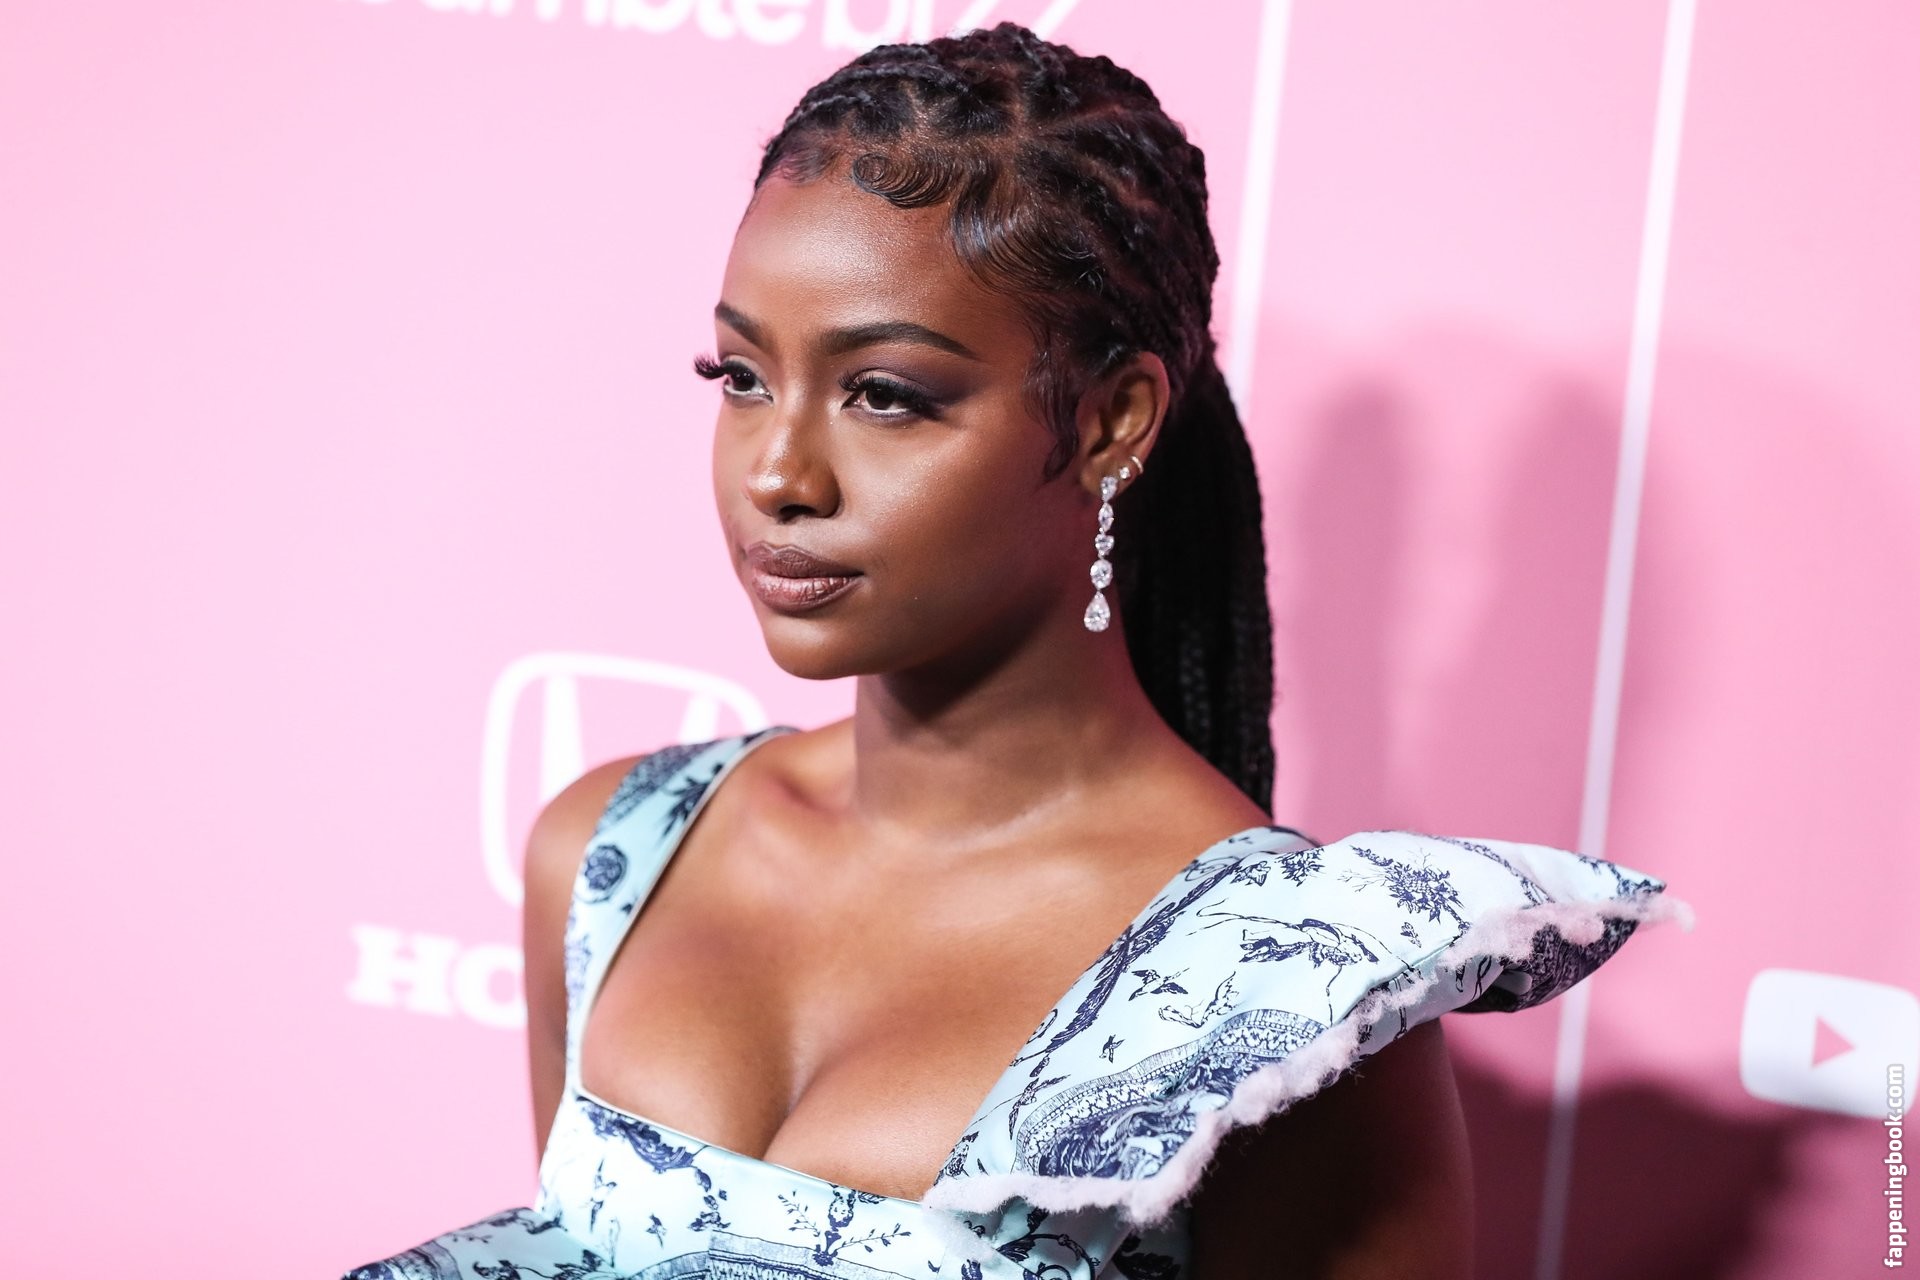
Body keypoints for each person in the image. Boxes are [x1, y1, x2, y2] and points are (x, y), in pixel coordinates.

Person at [347, 23, 1678, 1280]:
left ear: (1109, 424)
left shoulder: (1296, 997)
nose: (778, 474)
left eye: (885, 395)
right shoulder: (609, 856)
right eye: (741, 377)